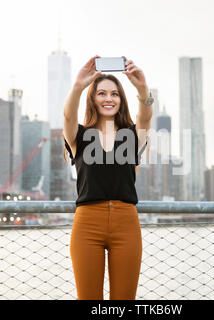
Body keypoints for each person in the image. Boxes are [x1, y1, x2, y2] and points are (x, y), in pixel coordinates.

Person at [62, 55, 153, 300]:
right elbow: (69, 118)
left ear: (121, 100)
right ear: (93, 99)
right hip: (87, 223)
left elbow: (145, 117)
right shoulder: (78, 136)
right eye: (101, 93)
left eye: (114, 94)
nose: (108, 98)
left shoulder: (132, 136)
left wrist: (142, 88)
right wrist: (78, 86)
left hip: (126, 223)